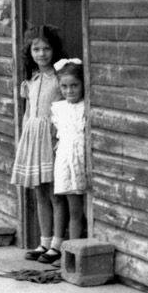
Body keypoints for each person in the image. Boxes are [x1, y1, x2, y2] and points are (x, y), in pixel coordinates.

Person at [11, 25, 68, 265]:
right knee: (40, 192)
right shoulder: (31, 80)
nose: (42, 53)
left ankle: (57, 243)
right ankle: (44, 241)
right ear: (30, 51)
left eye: (46, 48)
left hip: (51, 138)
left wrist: (60, 138)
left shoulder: (59, 78)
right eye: (36, 49)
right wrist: (24, 139)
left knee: (55, 192)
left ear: (54, 50)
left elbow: (66, 110)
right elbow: (27, 113)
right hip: (34, 138)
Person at [51, 58, 88, 246]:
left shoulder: (87, 107)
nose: (69, 91)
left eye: (74, 85)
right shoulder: (58, 108)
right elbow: (59, 137)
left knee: (88, 211)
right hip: (67, 164)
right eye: (64, 86)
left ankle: (85, 252)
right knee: (75, 211)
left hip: (84, 163)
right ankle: (71, 253)